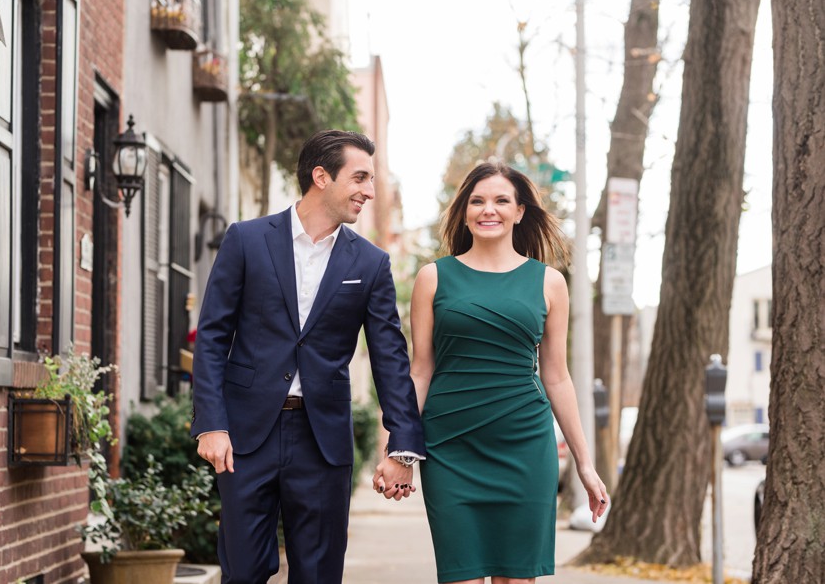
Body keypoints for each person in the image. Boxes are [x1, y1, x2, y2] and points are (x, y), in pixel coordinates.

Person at [191, 129, 426, 584]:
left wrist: (402, 446)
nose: (369, 191)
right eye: (360, 178)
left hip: (322, 441)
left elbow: (390, 362)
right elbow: (213, 337)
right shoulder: (246, 239)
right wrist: (211, 424)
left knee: (318, 574)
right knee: (242, 573)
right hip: (244, 437)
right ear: (321, 176)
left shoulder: (371, 264)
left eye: (371, 180)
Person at [409, 162, 609, 584]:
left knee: (517, 579)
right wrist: (400, 450)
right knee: (461, 575)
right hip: (450, 447)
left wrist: (585, 465)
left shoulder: (550, 282)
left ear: (520, 212)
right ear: (464, 210)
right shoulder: (433, 277)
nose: (489, 210)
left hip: (524, 446)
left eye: (501, 200)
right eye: (478, 200)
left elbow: (557, 377)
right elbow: (420, 371)